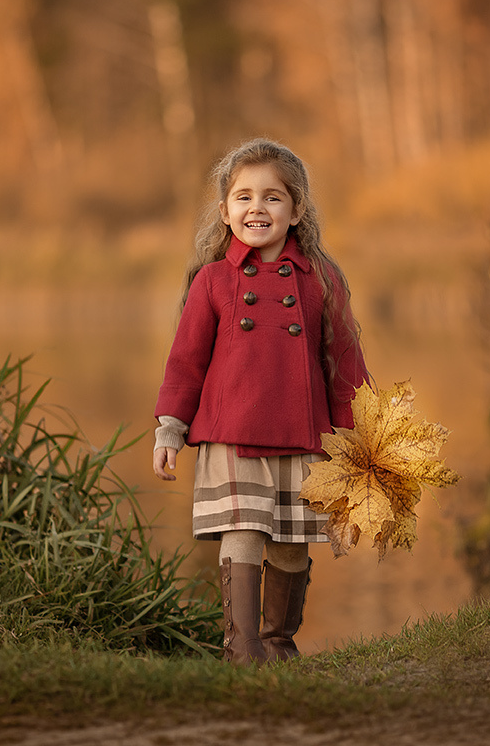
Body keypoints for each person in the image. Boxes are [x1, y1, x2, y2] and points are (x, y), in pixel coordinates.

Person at [152, 138, 369, 665]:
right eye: (244, 197)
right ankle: (242, 648)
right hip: (231, 433)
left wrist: (359, 439)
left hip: (304, 435)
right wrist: (169, 429)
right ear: (225, 212)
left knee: (292, 544)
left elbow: (345, 362)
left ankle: (278, 642)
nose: (257, 208)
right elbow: (185, 362)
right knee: (244, 532)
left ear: (296, 211)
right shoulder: (213, 280)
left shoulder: (320, 278)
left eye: (273, 197)